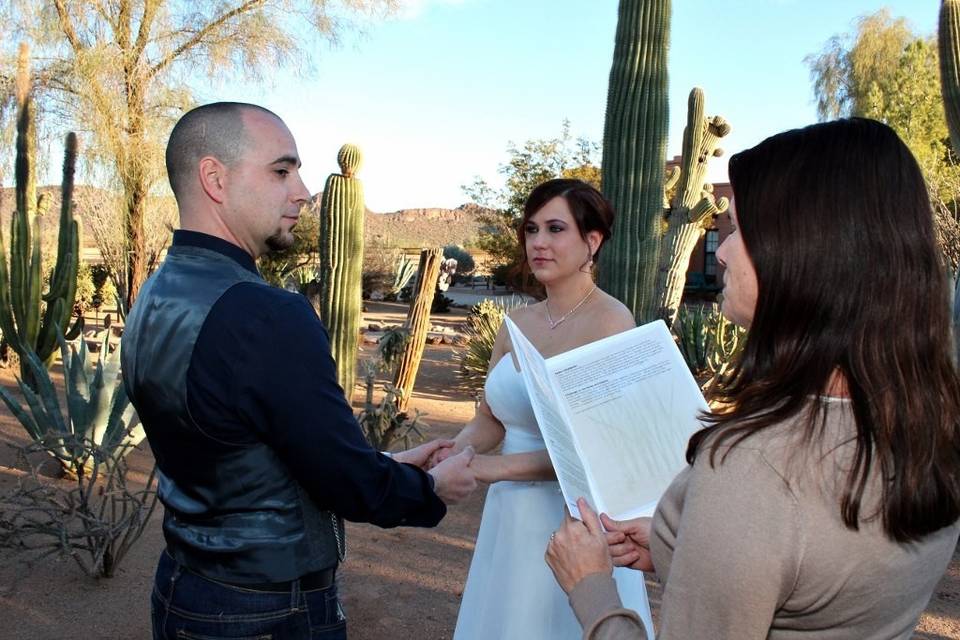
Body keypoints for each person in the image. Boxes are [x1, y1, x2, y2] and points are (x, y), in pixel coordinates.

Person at [545, 118, 960, 639]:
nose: (720, 250)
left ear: (804, 256)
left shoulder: (757, 468)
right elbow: (813, 570)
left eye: (740, 230)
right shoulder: (928, 423)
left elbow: (773, 524)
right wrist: (678, 542)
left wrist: (591, 588)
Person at [121, 102, 477, 640]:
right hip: (266, 611)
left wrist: (389, 461)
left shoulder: (157, 292)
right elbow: (347, 484)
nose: (304, 192)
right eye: (281, 171)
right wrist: (430, 488)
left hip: (186, 589)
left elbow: (247, 452)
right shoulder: (264, 313)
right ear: (214, 178)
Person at [434, 178, 655, 639]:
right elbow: (491, 418)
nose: (538, 243)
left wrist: (488, 470)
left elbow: (592, 449)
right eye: (531, 230)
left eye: (556, 229)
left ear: (591, 241)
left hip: (570, 520)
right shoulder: (516, 321)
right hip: (509, 516)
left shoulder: (613, 322)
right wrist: (452, 453)